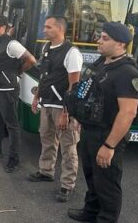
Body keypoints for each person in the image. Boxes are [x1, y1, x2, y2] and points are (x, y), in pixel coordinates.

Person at [67, 22, 138, 223]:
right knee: (92, 178)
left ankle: (106, 219)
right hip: (91, 131)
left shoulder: (127, 73)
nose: (99, 40)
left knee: (107, 184)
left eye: (105, 38)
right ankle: (90, 213)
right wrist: (79, 117)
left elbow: (128, 113)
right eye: (100, 36)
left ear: (121, 44)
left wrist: (109, 146)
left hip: (108, 135)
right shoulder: (102, 63)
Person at [29, 16, 83, 202]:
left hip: (62, 107)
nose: (44, 30)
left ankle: (67, 185)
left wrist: (67, 113)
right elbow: (43, 77)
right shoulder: (46, 48)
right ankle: (46, 171)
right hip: (46, 102)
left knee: (68, 146)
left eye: (48, 27)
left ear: (60, 29)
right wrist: (36, 98)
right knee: (47, 139)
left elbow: (74, 86)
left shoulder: (71, 53)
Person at [0, 15, 37, 173]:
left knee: (12, 125)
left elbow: (31, 60)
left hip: (7, 91)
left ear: (3, 27)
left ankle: (14, 158)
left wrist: (17, 72)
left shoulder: (12, 45)